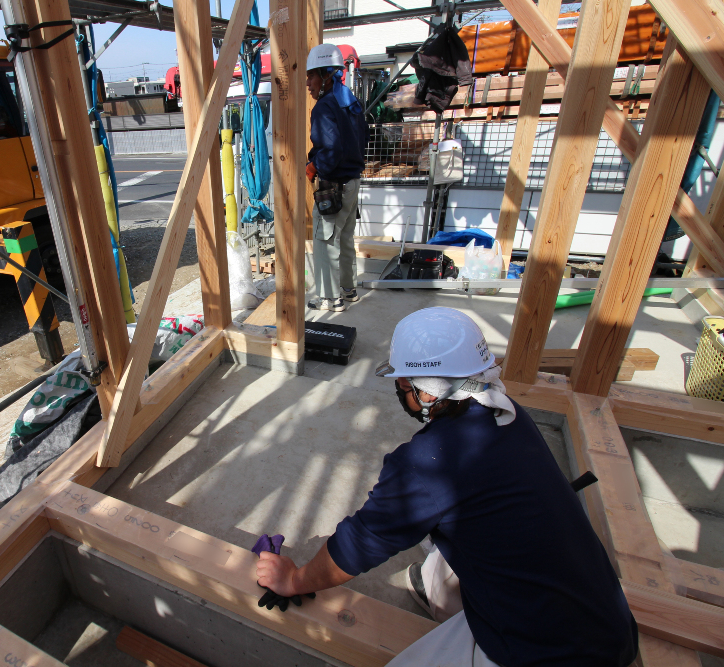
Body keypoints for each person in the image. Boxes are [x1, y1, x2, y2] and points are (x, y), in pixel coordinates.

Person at [255, 307, 639, 667]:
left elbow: (358, 543)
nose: (399, 386)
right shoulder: (507, 413)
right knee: (451, 534)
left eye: (403, 380)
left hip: (548, 652)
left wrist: (295, 579)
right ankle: (436, 588)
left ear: (425, 390)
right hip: (609, 625)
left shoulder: (427, 464)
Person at [305, 44, 368, 312]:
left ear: (326, 75)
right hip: (352, 183)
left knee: (325, 241)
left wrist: (314, 165)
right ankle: (348, 290)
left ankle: (330, 299)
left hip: (335, 185)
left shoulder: (324, 107)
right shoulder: (348, 101)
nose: (308, 83)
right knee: (344, 240)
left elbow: (330, 150)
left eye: (311, 76)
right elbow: (361, 139)